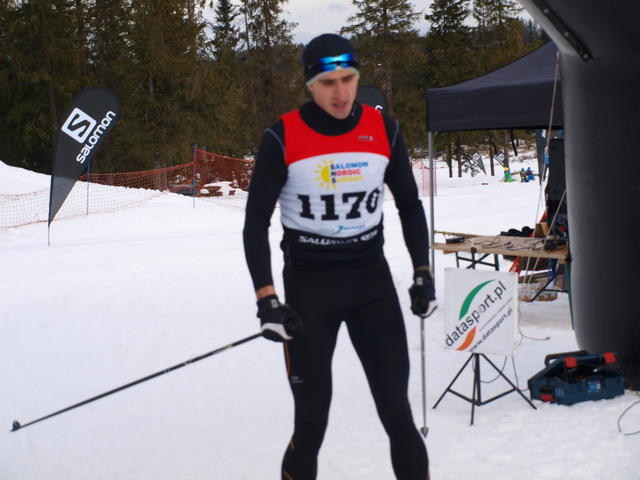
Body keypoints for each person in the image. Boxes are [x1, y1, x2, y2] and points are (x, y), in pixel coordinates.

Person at [243, 33, 437, 480]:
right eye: (328, 83)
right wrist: (267, 299)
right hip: (310, 290)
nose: (341, 92)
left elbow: (410, 205)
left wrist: (422, 273)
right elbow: (255, 222)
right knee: (311, 422)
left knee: (398, 413)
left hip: (372, 284)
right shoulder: (281, 136)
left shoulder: (383, 128)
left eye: (348, 79)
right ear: (310, 85)